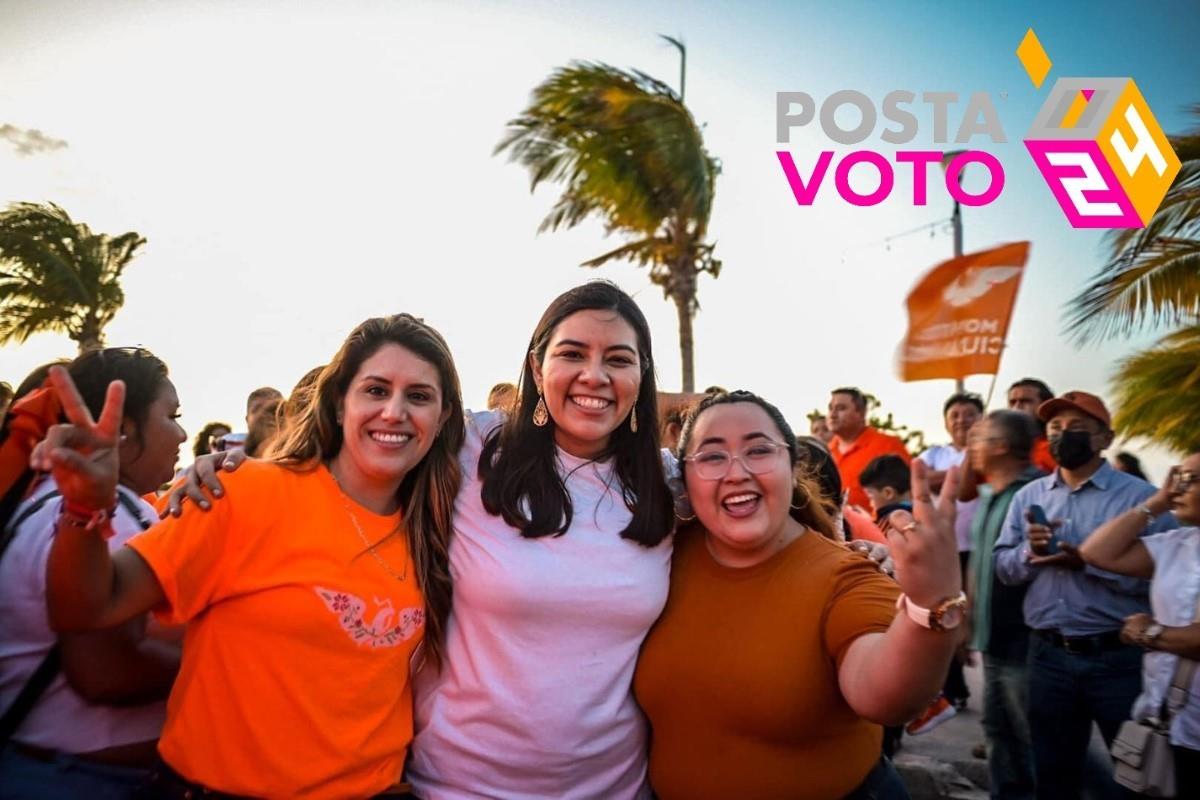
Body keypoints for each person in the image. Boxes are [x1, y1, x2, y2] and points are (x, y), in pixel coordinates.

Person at [37, 314, 465, 798]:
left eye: (419, 396)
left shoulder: (443, 529)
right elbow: (88, 606)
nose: (394, 412)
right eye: (375, 389)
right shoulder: (242, 491)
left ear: (444, 417)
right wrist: (83, 507)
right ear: (340, 403)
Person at [407, 281, 674, 799]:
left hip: (616, 789)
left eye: (619, 360)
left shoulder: (667, 485)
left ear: (641, 379)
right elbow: (353, 452)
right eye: (572, 354)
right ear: (536, 368)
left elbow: (766, 510)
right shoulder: (470, 448)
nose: (594, 376)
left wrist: (859, 554)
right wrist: (229, 475)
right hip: (457, 785)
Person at [634, 390, 964, 799]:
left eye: (758, 450)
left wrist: (930, 606)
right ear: (683, 478)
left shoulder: (849, 575)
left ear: (792, 468)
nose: (736, 472)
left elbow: (884, 697)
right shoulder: (657, 560)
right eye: (713, 456)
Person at [0, 348, 184, 798]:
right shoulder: (109, 513)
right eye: (172, 415)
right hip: (81, 781)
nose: (181, 434)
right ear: (122, 428)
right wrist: (224, 667)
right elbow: (104, 670)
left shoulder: (38, 497)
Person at [993, 391, 1176, 799]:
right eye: (1055, 429)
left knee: (1136, 776)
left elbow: (1166, 579)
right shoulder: (1030, 496)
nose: (1063, 436)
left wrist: (1089, 563)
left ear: (1105, 439)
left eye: (1077, 428)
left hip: (1118, 660)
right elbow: (1003, 568)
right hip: (1048, 657)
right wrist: (1031, 553)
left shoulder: (1141, 500)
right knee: (1054, 776)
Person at [1079, 453, 1200, 797]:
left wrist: (1149, 633)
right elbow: (1097, 552)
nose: (1177, 486)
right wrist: (1157, 503)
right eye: (1176, 477)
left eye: (1189, 480)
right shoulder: (1178, 544)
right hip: (1167, 720)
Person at [965, 410, 1044, 800]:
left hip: (1026, 643)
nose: (971, 448)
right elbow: (981, 566)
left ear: (1000, 446)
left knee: (1039, 743)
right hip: (992, 642)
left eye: (978, 439)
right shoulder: (991, 496)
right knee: (999, 735)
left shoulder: (1036, 495)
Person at [919, 392, 984, 711]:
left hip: (981, 551)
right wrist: (959, 475)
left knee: (974, 617)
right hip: (945, 551)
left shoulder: (987, 452)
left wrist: (950, 477)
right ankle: (953, 689)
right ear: (946, 421)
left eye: (969, 414)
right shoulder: (934, 452)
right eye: (955, 414)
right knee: (945, 616)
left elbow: (968, 486)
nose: (961, 420)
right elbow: (922, 478)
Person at [827, 387, 911, 510]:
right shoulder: (825, 451)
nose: (832, 414)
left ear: (861, 413)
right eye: (830, 408)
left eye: (841, 408)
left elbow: (908, 491)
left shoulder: (888, 445)